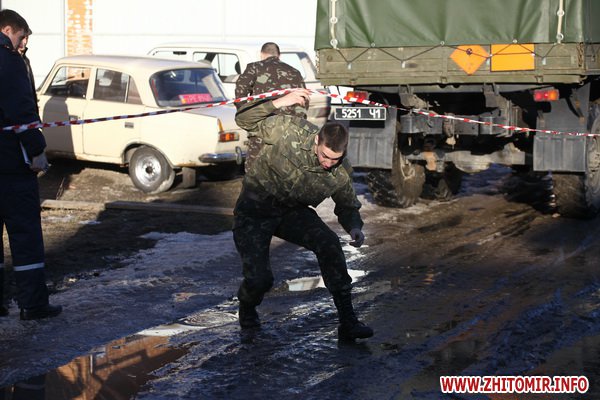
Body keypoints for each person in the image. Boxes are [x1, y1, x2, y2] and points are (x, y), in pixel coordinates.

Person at [233, 88, 373, 341]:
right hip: (256, 210)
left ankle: (348, 321)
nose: (328, 163)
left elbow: (346, 204)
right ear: (317, 140)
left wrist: (354, 226)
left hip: (291, 212)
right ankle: (248, 307)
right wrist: (279, 102)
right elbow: (244, 120)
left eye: (335, 159)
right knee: (260, 279)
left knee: (329, 244)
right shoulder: (289, 131)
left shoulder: (341, 170)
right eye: (325, 156)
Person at [0, 9, 62, 320]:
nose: (24, 44)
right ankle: (33, 304)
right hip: (11, 167)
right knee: (25, 236)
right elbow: (22, 110)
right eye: (22, 36)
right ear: (7, 30)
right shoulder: (9, 61)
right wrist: (37, 150)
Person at [235, 42, 307, 172]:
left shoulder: (254, 68)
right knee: (285, 173)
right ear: (279, 55)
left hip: (262, 130)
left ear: (261, 54)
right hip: (289, 131)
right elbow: (303, 101)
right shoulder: (295, 72)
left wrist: (248, 118)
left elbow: (240, 96)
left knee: (256, 174)